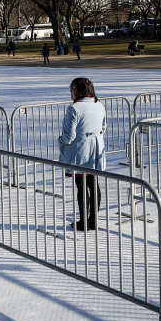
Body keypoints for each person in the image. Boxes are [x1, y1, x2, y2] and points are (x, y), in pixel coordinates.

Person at [58, 77, 106, 231]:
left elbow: (69, 136)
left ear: (78, 91)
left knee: (82, 186)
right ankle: (93, 220)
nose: (70, 93)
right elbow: (104, 127)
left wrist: (61, 141)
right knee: (93, 184)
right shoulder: (99, 104)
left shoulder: (74, 108)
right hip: (96, 149)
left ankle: (84, 221)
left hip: (80, 151)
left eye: (72, 89)